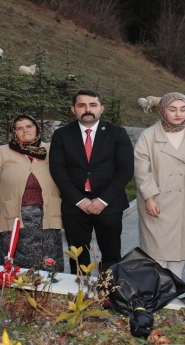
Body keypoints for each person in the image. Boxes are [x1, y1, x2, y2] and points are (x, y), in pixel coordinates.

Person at [49, 90, 134, 274]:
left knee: (111, 255)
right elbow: (58, 170)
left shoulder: (117, 133)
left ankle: (108, 295)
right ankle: (80, 293)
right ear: (73, 109)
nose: (87, 109)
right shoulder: (61, 135)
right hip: (75, 206)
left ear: (101, 108)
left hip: (109, 205)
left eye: (93, 105)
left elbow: (125, 169)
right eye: (81, 105)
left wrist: (103, 200)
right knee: (78, 256)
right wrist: (79, 200)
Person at [134, 92, 185, 278]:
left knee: (179, 248)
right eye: (173, 109)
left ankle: (175, 287)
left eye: (183, 109)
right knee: (156, 249)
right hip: (157, 200)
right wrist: (149, 197)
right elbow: (141, 169)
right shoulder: (149, 136)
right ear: (162, 110)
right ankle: (155, 290)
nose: (179, 114)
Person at [0, 115, 64, 272]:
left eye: (29, 126)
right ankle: (17, 291)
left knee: (49, 257)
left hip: (47, 213)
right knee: (16, 260)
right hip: (14, 215)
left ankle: (47, 293)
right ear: (14, 132)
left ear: (37, 129)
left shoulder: (52, 149)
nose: (25, 130)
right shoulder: (3, 152)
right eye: (19, 128)